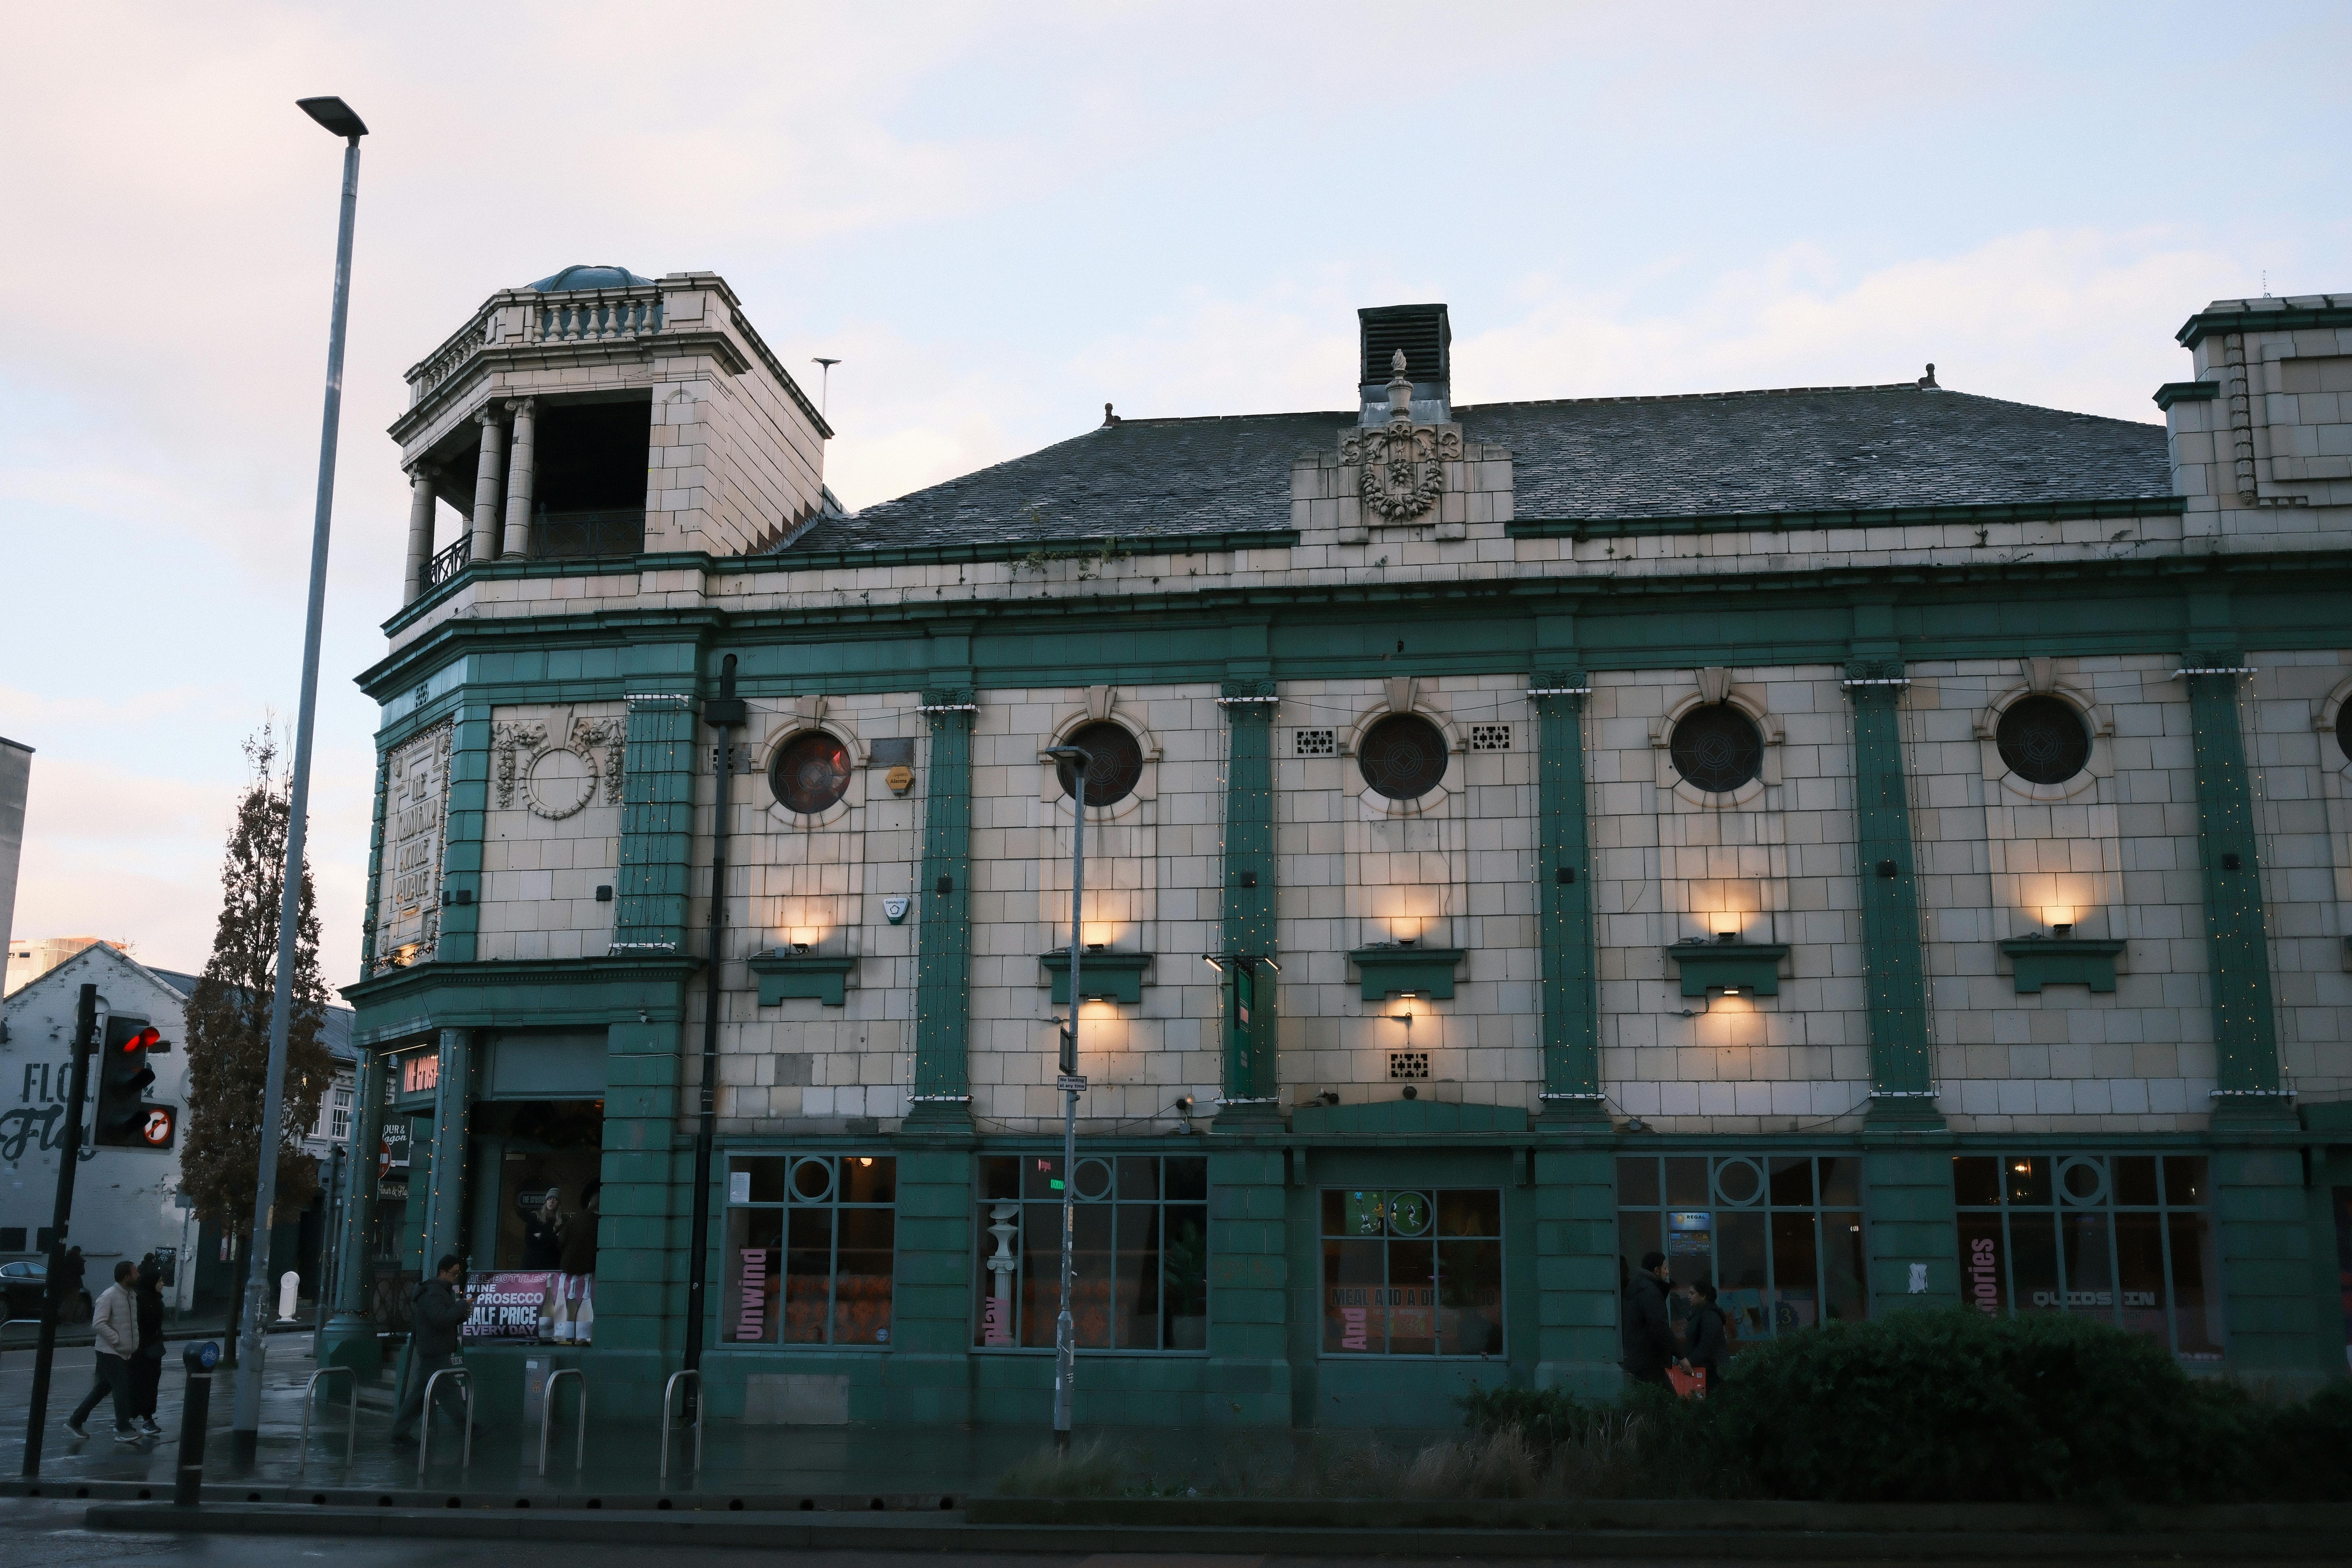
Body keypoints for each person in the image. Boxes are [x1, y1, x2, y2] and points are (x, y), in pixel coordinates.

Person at [389, 1255, 471, 1445]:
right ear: (442, 1272)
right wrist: (462, 1305)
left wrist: (461, 1315)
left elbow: (444, 1319)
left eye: (458, 1274)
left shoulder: (440, 1291)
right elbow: (440, 1320)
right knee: (449, 1391)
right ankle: (469, 1429)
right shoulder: (434, 1293)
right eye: (453, 1273)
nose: (455, 1277)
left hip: (433, 1347)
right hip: (435, 1349)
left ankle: (399, 1432)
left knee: (420, 1394)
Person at [66, 1261, 142, 1443]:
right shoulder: (109, 1296)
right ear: (126, 1277)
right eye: (135, 1272)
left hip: (123, 1352)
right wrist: (117, 1340)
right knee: (122, 1386)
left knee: (102, 1389)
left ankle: (75, 1422)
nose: (138, 1275)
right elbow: (98, 1323)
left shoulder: (131, 1296)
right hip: (109, 1351)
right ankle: (123, 1428)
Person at [1620, 1249, 1684, 1388]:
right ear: (1656, 1270)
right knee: (1667, 1402)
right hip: (1649, 1360)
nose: (1667, 1272)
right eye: (1665, 1268)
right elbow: (1660, 1326)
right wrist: (1681, 1356)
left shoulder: (1637, 1287)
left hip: (1640, 1359)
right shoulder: (1650, 1291)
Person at [553, 1183, 598, 1345]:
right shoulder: (600, 1223)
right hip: (589, 1270)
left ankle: (566, 1337)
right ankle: (583, 1338)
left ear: (589, 1205)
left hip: (569, 1268)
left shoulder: (576, 1219)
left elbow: (561, 1242)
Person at [127, 1254, 166, 1436]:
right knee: (147, 1384)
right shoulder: (143, 1300)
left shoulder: (154, 1298)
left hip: (150, 1348)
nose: (162, 1284)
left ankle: (135, 1416)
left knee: (146, 1383)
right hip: (144, 1348)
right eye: (159, 1281)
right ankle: (145, 1419)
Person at [1682, 1279, 1729, 1394]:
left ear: (1703, 1296)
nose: (1689, 1296)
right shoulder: (1702, 1314)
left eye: (1692, 1293)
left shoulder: (1710, 1316)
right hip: (1703, 1370)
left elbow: (1707, 1345)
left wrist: (1689, 1361)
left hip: (1710, 1373)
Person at [519, 1191, 564, 1270]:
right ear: (546, 1201)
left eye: (555, 1199)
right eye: (549, 1199)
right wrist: (552, 1238)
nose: (552, 1202)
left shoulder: (562, 1221)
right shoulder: (535, 1217)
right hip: (532, 1262)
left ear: (559, 1203)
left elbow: (560, 1241)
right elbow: (529, 1239)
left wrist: (541, 1236)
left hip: (552, 1262)